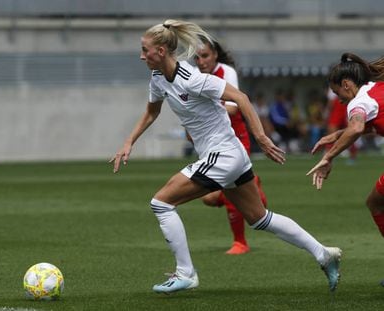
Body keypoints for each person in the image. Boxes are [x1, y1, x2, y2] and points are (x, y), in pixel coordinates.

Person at [111, 19, 341, 294]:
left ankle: (186, 273)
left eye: (144, 49)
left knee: (161, 203)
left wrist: (262, 138)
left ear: (161, 51)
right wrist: (129, 141)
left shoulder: (192, 78)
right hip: (229, 155)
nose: (141, 55)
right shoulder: (158, 78)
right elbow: (152, 111)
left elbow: (241, 98)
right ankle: (323, 254)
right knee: (259, 218)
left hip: (223, 155)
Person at [307, 53, 384, 283]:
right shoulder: (374, 88)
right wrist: (337, 135)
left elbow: (358, 127)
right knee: (376, 202)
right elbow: (368, 126)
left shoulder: (359, 102)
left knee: (376, 203)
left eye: (336, 92)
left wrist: (328, 157)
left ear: (346, 84)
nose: (338, 99)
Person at [194, 38, 267, 255]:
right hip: (212, 141)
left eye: (205, 56)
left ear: (215, 54)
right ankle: (253, 184)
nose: (201, 61)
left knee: (228, 189)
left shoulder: (226, 72)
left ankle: (240, 242)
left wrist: (204, 108)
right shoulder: (195, 76)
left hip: (235, 139)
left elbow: (235, 107)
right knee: (209, 198)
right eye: (197, 57)